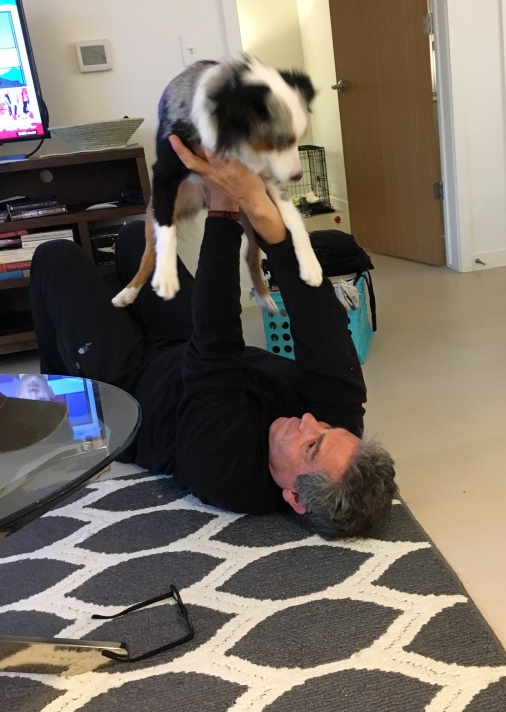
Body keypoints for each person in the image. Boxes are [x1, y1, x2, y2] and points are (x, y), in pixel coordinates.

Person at [28, 135, 396, 538]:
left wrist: (224, 212)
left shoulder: (227, 472)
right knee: (135, 236)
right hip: (184, 345)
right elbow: (323, 328)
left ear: (295, 497)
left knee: (55, 256)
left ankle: (61, 400)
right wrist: (266, 220)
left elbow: (215, 347)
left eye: (311, 446)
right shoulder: (340, 439)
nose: (309, 421)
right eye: (325, 429)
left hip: (131, 386)